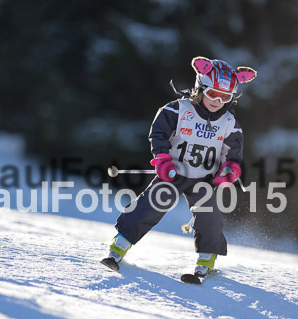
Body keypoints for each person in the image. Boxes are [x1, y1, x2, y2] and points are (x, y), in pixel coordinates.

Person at [101, 56, 256, 280]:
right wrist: (162, 160)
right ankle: (117, 249)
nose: (217, 101)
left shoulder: (229, 123)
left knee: (209, 217)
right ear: (200, 87)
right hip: (173, 172)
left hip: (203, 179)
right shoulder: (178, 110)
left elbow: (232, 150)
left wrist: (229, 169)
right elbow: (159, 133)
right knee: (150, 205)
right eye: (212, 93)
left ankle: (206, 261)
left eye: (225, 97)